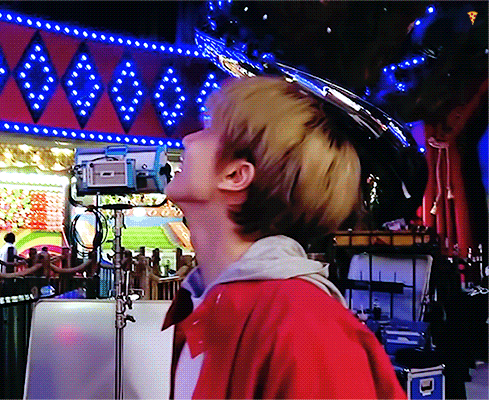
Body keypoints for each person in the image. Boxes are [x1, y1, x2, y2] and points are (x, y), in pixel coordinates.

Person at [162, 76, 407, 399]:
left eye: (210, 129)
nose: (189, 138)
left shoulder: (305, 328)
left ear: (236, 175)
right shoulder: (211, 308)